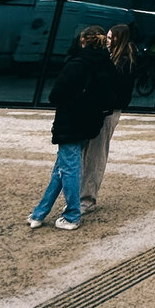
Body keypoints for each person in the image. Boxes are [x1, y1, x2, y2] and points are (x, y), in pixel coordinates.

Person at [28, 25, 115, 231]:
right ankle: (40, 212)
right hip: (90, 122)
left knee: (68, 168)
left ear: (83, 41)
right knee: (62, 168)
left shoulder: (77, 64)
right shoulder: (107, 65)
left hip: (70, 121)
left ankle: (72, 215)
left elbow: (56, 95)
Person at [81, 22, 138, 210]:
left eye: (110, 37)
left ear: (118, 38)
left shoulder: (123, 62)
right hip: (101, 109)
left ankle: (87, 199)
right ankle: (83, 195)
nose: (107, 41)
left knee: (95, 153)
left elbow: (119, 91)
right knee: (88, 153)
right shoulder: (114, 58)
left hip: (108, 110)